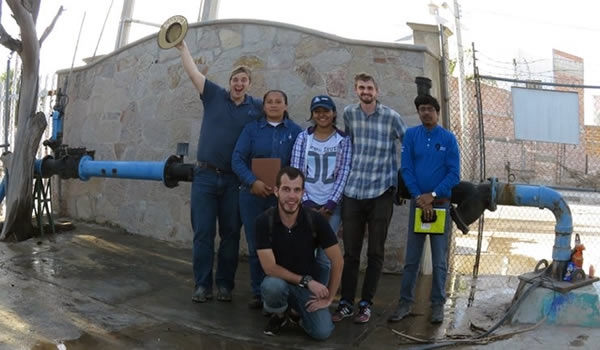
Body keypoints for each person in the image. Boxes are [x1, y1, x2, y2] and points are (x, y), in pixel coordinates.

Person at [175, 40, 263, 303]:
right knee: (203, 233)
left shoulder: (255, 108)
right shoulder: (213, 95)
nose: (239, 84)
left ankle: (225, 285)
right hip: (204, 177)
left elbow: (277, 116)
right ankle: (202, 285)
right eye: (236, 79)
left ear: (249, 84)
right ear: (230, 81)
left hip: (234, 180)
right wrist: (182, 49)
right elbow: (193, 73)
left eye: (244, 80)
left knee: (231, 234)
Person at [332, 73, 407, 324]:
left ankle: (365, 304)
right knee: (351, 252)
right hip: (353, 190)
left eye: (370, 88)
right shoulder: (349, 114)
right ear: (356, 90)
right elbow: (349, 142)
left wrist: (400, 180)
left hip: (381, 191)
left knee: (375, 252)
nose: (366, 91)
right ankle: (345, 303)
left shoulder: (391, 117)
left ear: (377, 90)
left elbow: (407, 143)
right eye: (361, 87)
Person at [388, 94, 460, 324]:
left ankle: (437, 305)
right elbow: (406, 169)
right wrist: (420, 197)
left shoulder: (448, 139)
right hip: (418, 206)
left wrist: (433, 195)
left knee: (439, 260)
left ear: (437, 112)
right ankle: (405, 303)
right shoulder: (411, 136)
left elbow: (454, 173)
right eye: (422, 109)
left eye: (430, 109)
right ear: (418, 112)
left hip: (440, 206)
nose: (426, 113)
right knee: (412, 259)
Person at [232, 90, 302, 309]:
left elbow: (298, 164)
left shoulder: (296, 131)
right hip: (252, 196)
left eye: (278, 101)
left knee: (281, 246)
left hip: (281, 200)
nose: (273, 105)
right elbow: (237, 159)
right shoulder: (251, 130)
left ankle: (279, 292)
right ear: (263, 107)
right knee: (256, 244)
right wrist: (253, 182)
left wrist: (285, 191)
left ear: (286, 105)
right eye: (269, 102)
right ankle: (257, 291)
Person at [255, 167, 344, 339]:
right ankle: (279, 315)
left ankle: (296, 313)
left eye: (297, 190)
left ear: (303, 193)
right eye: (286, 189)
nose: (291, 196)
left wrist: (329, 298)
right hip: (280, 282)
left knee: (322, 333)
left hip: (305, 288)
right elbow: (270, 268)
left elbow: (338, 261)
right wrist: (307, 281)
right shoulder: (264, 221)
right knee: (272, 286)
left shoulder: (315, 219)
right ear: (276, 191)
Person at [290, 95, 352, 285]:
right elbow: (296, 171)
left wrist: (330, 205)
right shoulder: (303, 138)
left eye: (326, 111)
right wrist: (307, 203)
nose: (322, 115)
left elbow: (343, 173)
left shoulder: (343, 140)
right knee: (303, 250)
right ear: (312, 114)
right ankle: (302, 293)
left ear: (334, 113)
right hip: (306, 203)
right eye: (317, 111)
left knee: (325, 256)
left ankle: (321, 296)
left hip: (331, 206)